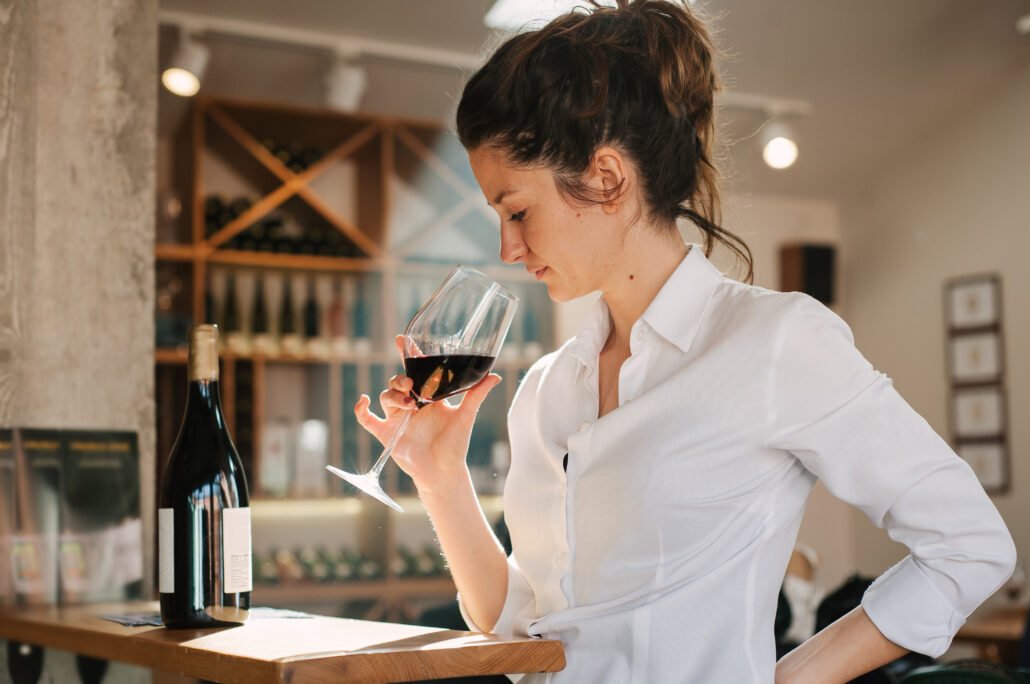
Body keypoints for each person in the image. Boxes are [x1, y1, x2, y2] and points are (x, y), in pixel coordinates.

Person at [355, 1, 1017, 681]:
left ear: (607, 179)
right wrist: (440, 482)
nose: (507, 246)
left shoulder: (776, 343)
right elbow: (518, 623)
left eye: (518, 210)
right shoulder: (547, 390)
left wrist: (786, 680)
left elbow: (968, 546)